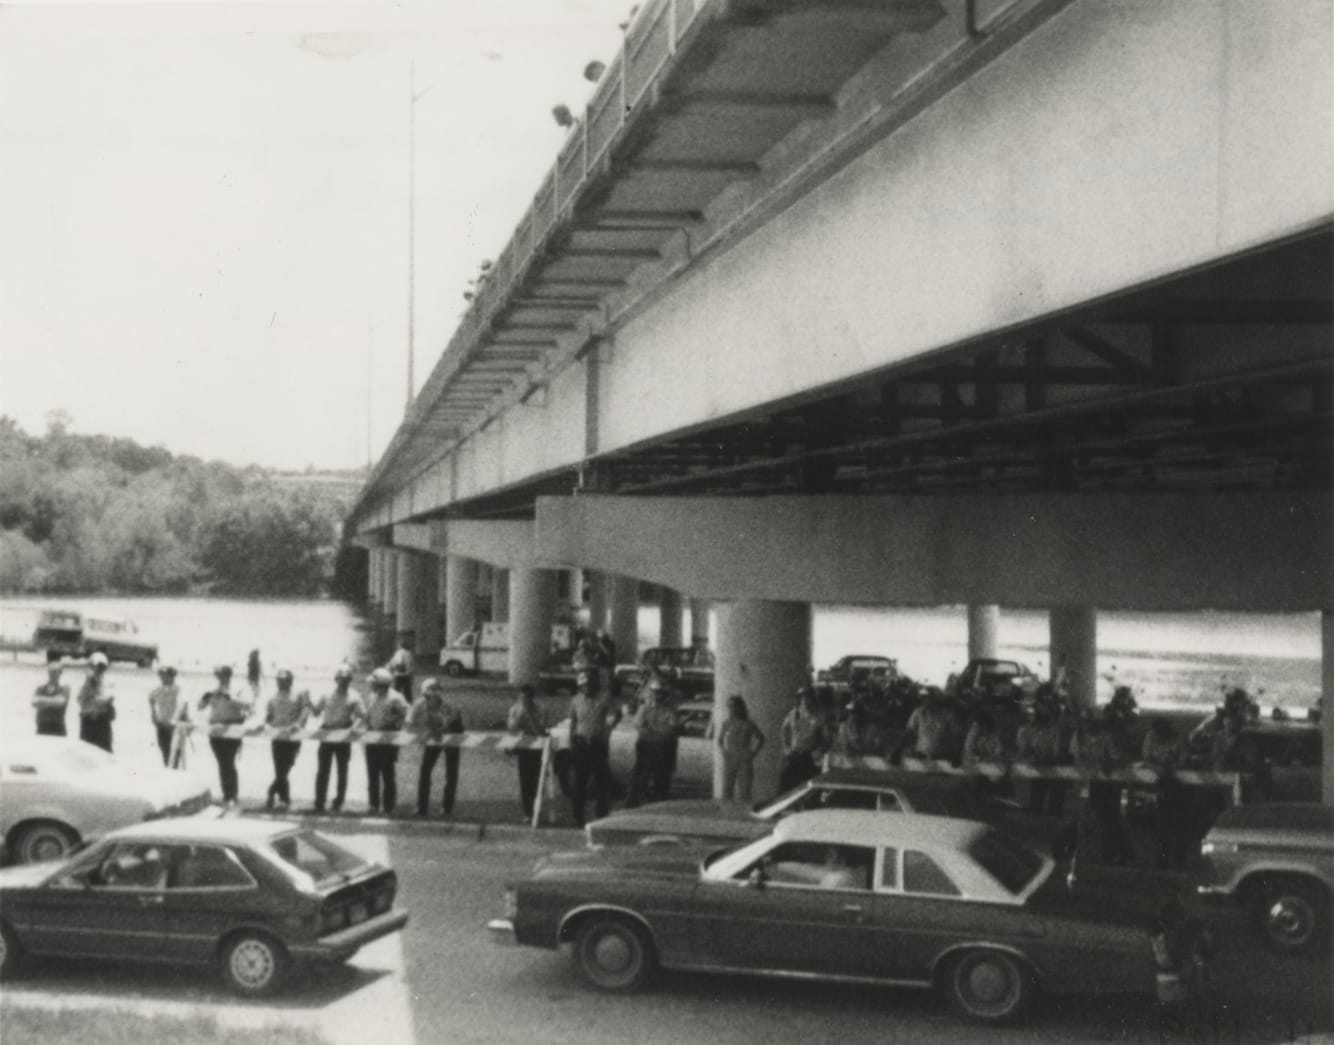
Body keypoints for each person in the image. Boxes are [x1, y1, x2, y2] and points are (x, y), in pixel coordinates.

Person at [309, 662, 365, 813]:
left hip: (343, 734)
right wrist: (308, 701)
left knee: (342, 770)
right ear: (336, 679)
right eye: (341, 679)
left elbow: (362, 716)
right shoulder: (326, 693)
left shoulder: (354, 696)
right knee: (322, 770)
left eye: (346, 679)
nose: (344, 682)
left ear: (350, 680)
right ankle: (319, 802)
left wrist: (354, 727)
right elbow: (315, 712)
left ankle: (338, 801)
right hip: (326, 733)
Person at [567, 671, 621, 827]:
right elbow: (573, 722)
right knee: (579, 782)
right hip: (581, 743)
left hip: (597, 743)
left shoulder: (604, 698)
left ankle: (601, 815)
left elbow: (615, 716)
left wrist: (607, 732)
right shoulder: (576, 700)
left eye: (589, 685)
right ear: (580, 687)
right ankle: (578, 817)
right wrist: (571, 742)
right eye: (583, 686)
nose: (587, 688)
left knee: (601, 782)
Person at [410, 677, 465, 816]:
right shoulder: (418, 705)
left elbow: (442, 727)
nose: (430, 699)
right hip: (433, 736)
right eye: (427, 696)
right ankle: (422, 807)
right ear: (424, 695)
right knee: (425, 770)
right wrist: (421, 731)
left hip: (452, 733)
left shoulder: (449, 708)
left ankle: (447, 808)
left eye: (434, 696)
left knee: (451, 772)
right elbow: (410, 723)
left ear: (439, 695)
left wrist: (428, 732)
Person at [1140, 717, 1189, 868]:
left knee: (1179, 825)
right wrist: (1158, 768)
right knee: (1162, 825)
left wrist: (1171, 767)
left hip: (1178, 787)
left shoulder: (1179, 738)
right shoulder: (1150, 737)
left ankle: (1178, 861)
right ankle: (1162, 860)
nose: (1158, 735)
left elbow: (1183, 760)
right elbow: (1146, 758)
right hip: (1160, 784)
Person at [198, 664, 250, 805]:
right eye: (217, 675)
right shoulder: (213, 691)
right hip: (215, 730)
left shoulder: (238, 689)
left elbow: (249, 705)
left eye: (221, 674)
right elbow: (200, 707)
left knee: (228, 762)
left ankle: (231, 795)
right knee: (222, 763)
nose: (219, 677)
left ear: (228, 675)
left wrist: (231, 698)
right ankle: (228, 794)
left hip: (232, 728)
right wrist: (205, 697)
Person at [363, 668, 410, 815]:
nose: (371, 685)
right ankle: (373, 805)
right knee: (372, 773)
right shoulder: (371, 696)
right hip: (372, 738)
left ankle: (388, 806)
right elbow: (368, 715)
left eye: (374, 683)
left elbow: (407, 715)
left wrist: (398, 726)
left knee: (387, 774)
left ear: (382, 684)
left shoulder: (396, 698)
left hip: (387, 740)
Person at [626, 679, 678, 807]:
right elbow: (638, 726)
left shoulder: (669, 710)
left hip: (662, 750)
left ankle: (659, 808)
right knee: (638, 780)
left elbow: (670, 729)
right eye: (654, 692)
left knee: (661, 783)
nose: (656, 695)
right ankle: (631, 807)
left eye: (659, 692)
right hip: (646, 749)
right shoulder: (644, 709)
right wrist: (657, 730)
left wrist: (651, 729)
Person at [1015, 692, 1068, 815]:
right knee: (1036, 805)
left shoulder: (1056, 729)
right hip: (1037, 770)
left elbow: (1058, 753)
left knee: (1054, 808)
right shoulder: (1027, 729)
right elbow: (1023, 750)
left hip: (1055, 772)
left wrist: (1043, 760)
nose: (1032, 717)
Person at [264, 668, 308, 810]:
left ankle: (271, 791)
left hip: (293, 736)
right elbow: (269, 714)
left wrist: (298, 724)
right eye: (279, 680)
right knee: (279, 768)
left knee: (288, 765)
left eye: (284, 680)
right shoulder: (273, 696)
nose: (281, 683)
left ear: (290, 681)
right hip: (277, 736)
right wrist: (264, 723)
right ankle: (284, 798)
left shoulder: (298, 695)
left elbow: (305, 711)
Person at [506, 684, 548, 819]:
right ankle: (528, 812)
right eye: (521, 698)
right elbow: (512, 730)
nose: (523, 701)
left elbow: (541, 732)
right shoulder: (514, 709)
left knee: (536, 781)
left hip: (537, 748)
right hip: (523, 747)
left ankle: (538, 808)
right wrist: (518, 717)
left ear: (531, 698)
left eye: (526, 698)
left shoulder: (541, 710)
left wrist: (529, 715)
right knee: (524, 781)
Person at [716, 694, 765, 801]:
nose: (731, 709)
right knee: (727, 789)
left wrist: (753, 753)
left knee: (744, 790)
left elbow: (761, 738)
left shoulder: (748, 724)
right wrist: (723, 751)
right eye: (729, 706)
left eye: (733, 706)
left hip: (744, 757)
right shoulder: (727, 724)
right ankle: (726, 812)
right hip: (730, 758)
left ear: (739, 707)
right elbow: (719, 740)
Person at [779, 687, 827, 792]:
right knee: (785, 783)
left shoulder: (819, 715)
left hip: (809, 756)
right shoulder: (794, 713)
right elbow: (784, 730)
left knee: (808, 785)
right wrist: (786, 749)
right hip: (794, 754)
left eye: (807, 697)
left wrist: (819, 753)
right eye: (802, 697)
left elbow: (824, 736)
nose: (805, 700)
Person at [902, 686, 960, 763]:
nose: (924, 700)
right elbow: (909, 732)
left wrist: (956, 753)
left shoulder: (948, 715)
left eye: (927, 698)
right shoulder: (918, 713)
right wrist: (902, 749)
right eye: (923, 698)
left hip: (942, 757)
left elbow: (956, 735)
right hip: (921, 755)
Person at [147, 664, 188, 766]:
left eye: (164, 675)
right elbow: (151, 700)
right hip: (162, 724)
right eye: (161, 675)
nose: (162, 677)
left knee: (175, 753)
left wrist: (175, 721)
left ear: (172, 676)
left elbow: (182, 705)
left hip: (175, 726)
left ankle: (174, 773)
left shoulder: (179, 689)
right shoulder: (157, 690)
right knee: (164, 750)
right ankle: (168, 772)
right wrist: (153, 715)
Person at [77, 652, 116, 752]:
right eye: (97, 667)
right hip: (88, 719)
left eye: (102, 667)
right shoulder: (85, 681)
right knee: (86, 749)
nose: (99, 670)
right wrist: (88, 684)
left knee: (105, 750)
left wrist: (95, 696)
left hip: (102, 719)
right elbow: (80, 699)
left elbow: (108, 698)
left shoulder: (108, 682)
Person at [32, 662, 71, 737]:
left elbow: (60, 702)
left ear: (60, 673)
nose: (52, 675)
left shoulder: (64, 688)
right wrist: (52, 701)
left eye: (55, 672)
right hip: (42, 726)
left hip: (57, 726)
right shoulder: (41, 688)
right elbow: (34, 702)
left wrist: (42, 701)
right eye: (51, 672)